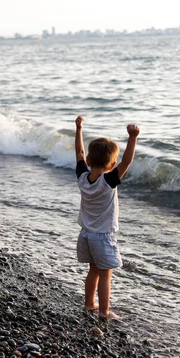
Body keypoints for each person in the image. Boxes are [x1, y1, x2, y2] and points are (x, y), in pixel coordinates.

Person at [74, 115, 140, 319]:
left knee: (92, 271)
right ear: (111, 165)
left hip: (85, 235)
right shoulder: (108, 180)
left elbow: (79, 152)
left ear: (89, 161)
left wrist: (78, 129)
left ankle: (88, 304)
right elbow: (127, 161)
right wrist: (133, 137)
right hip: (103, 237)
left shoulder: (83, 177)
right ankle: (104, 311)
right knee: (105, 275)